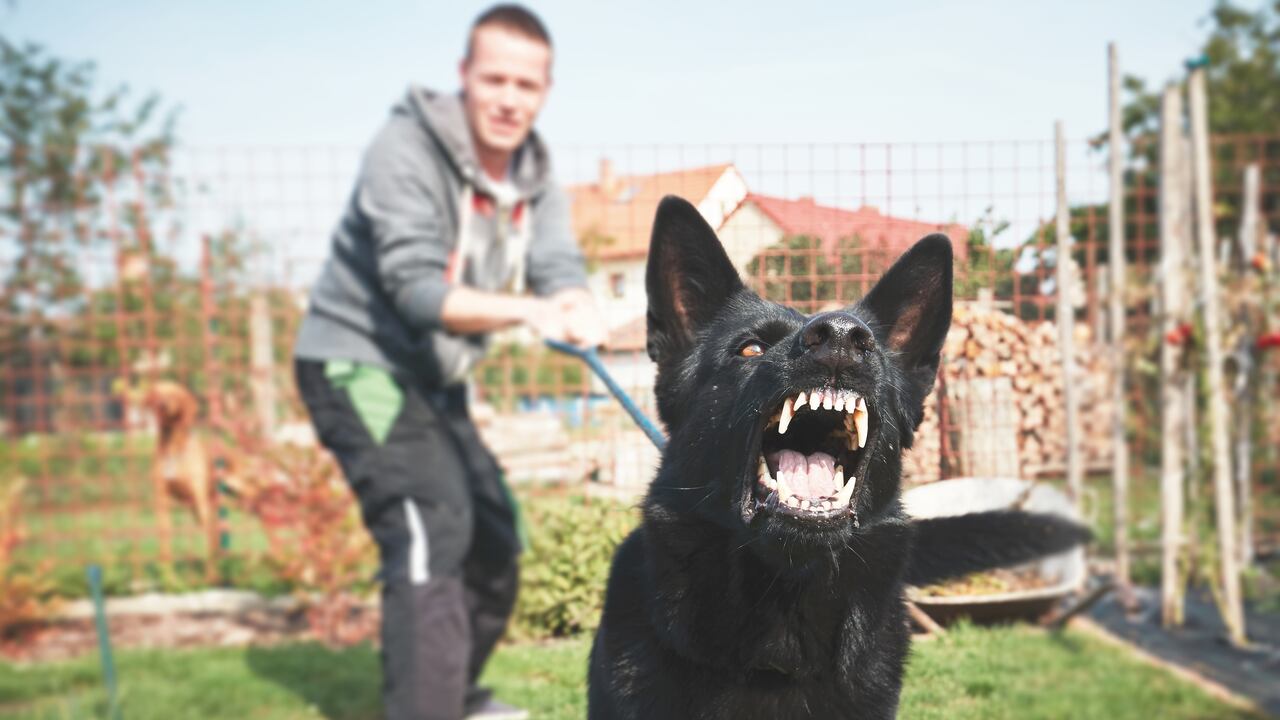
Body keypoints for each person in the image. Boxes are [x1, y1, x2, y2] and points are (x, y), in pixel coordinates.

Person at [293, 6, 604, 719]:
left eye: (525, 84)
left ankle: (452, 696)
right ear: (463, 77)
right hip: (358, 363)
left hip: (435, 379)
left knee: (495, 537)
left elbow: (557, 262)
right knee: (433, 525)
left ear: (545, 90)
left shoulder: (536, 175)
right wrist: (529, 312)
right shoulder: (401, 150)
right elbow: (415, 290)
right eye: (493, 78)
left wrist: (575, 301)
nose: (508, 98)